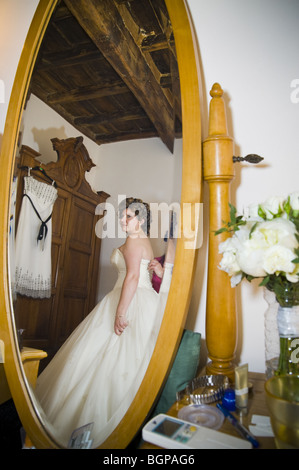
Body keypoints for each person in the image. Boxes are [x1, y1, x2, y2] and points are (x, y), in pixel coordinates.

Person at [34, 197, 160, 448]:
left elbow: (133, 277)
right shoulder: (137, 240)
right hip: (125, 295)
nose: (123, 220)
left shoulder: (136, 240)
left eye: (129, 217)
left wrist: (120, 311)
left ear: (142, 220)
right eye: (122, 216)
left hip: (130, 300)